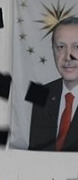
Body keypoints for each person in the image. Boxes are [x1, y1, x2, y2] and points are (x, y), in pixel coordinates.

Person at [29, 16, 78, 151]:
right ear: (53, 50)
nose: (68, 57)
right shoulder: (41, 94)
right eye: (60, 47)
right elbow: (35, 152)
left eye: (76, 47)